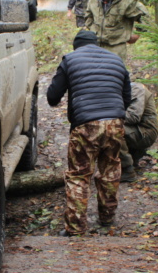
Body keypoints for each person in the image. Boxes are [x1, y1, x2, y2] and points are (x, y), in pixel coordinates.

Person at [47, 30, 132, 237]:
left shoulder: (70, 60)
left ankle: (75, 229)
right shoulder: (116, 60)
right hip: (115, 123)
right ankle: (106, 220)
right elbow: (127, 97)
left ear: (76, 46)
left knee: (78, 175)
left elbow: (52, 97)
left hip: (85, 125)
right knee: (110, 171)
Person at [84, 0, 148, 62]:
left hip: (116, 48)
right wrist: (92, 30)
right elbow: (88, 15)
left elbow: (145, 18)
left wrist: (136, 35)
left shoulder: (126, 0)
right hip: (95, 45)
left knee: (114, 74)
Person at [120, 82, 158, 182]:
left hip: (145, 132)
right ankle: (131, 159)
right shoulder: (123, 90)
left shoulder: (136, 89)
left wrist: (109, 116)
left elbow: (133, 117)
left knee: (112, 129)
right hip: (137, 130)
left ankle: (127, 170)